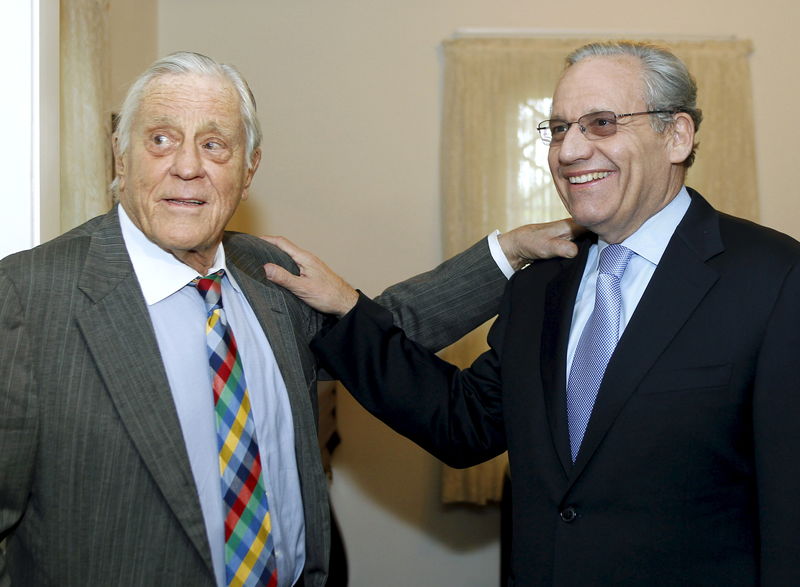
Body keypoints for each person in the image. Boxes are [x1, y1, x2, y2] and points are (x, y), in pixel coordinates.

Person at [0, 51, 578, 586]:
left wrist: (511, 249)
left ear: (249, 169)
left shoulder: (266, 271)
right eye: (160, 139)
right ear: (119, 156)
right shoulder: (28, 297)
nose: (186, 167)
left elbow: (378, 329)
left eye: (215, 145)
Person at [266, 41, 800, 585]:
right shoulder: (542, 283)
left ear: (676, 136)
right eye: (560, 128)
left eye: (601, 123)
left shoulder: (774, 278)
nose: (569, 151)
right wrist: (349, 311)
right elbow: (463, 422)